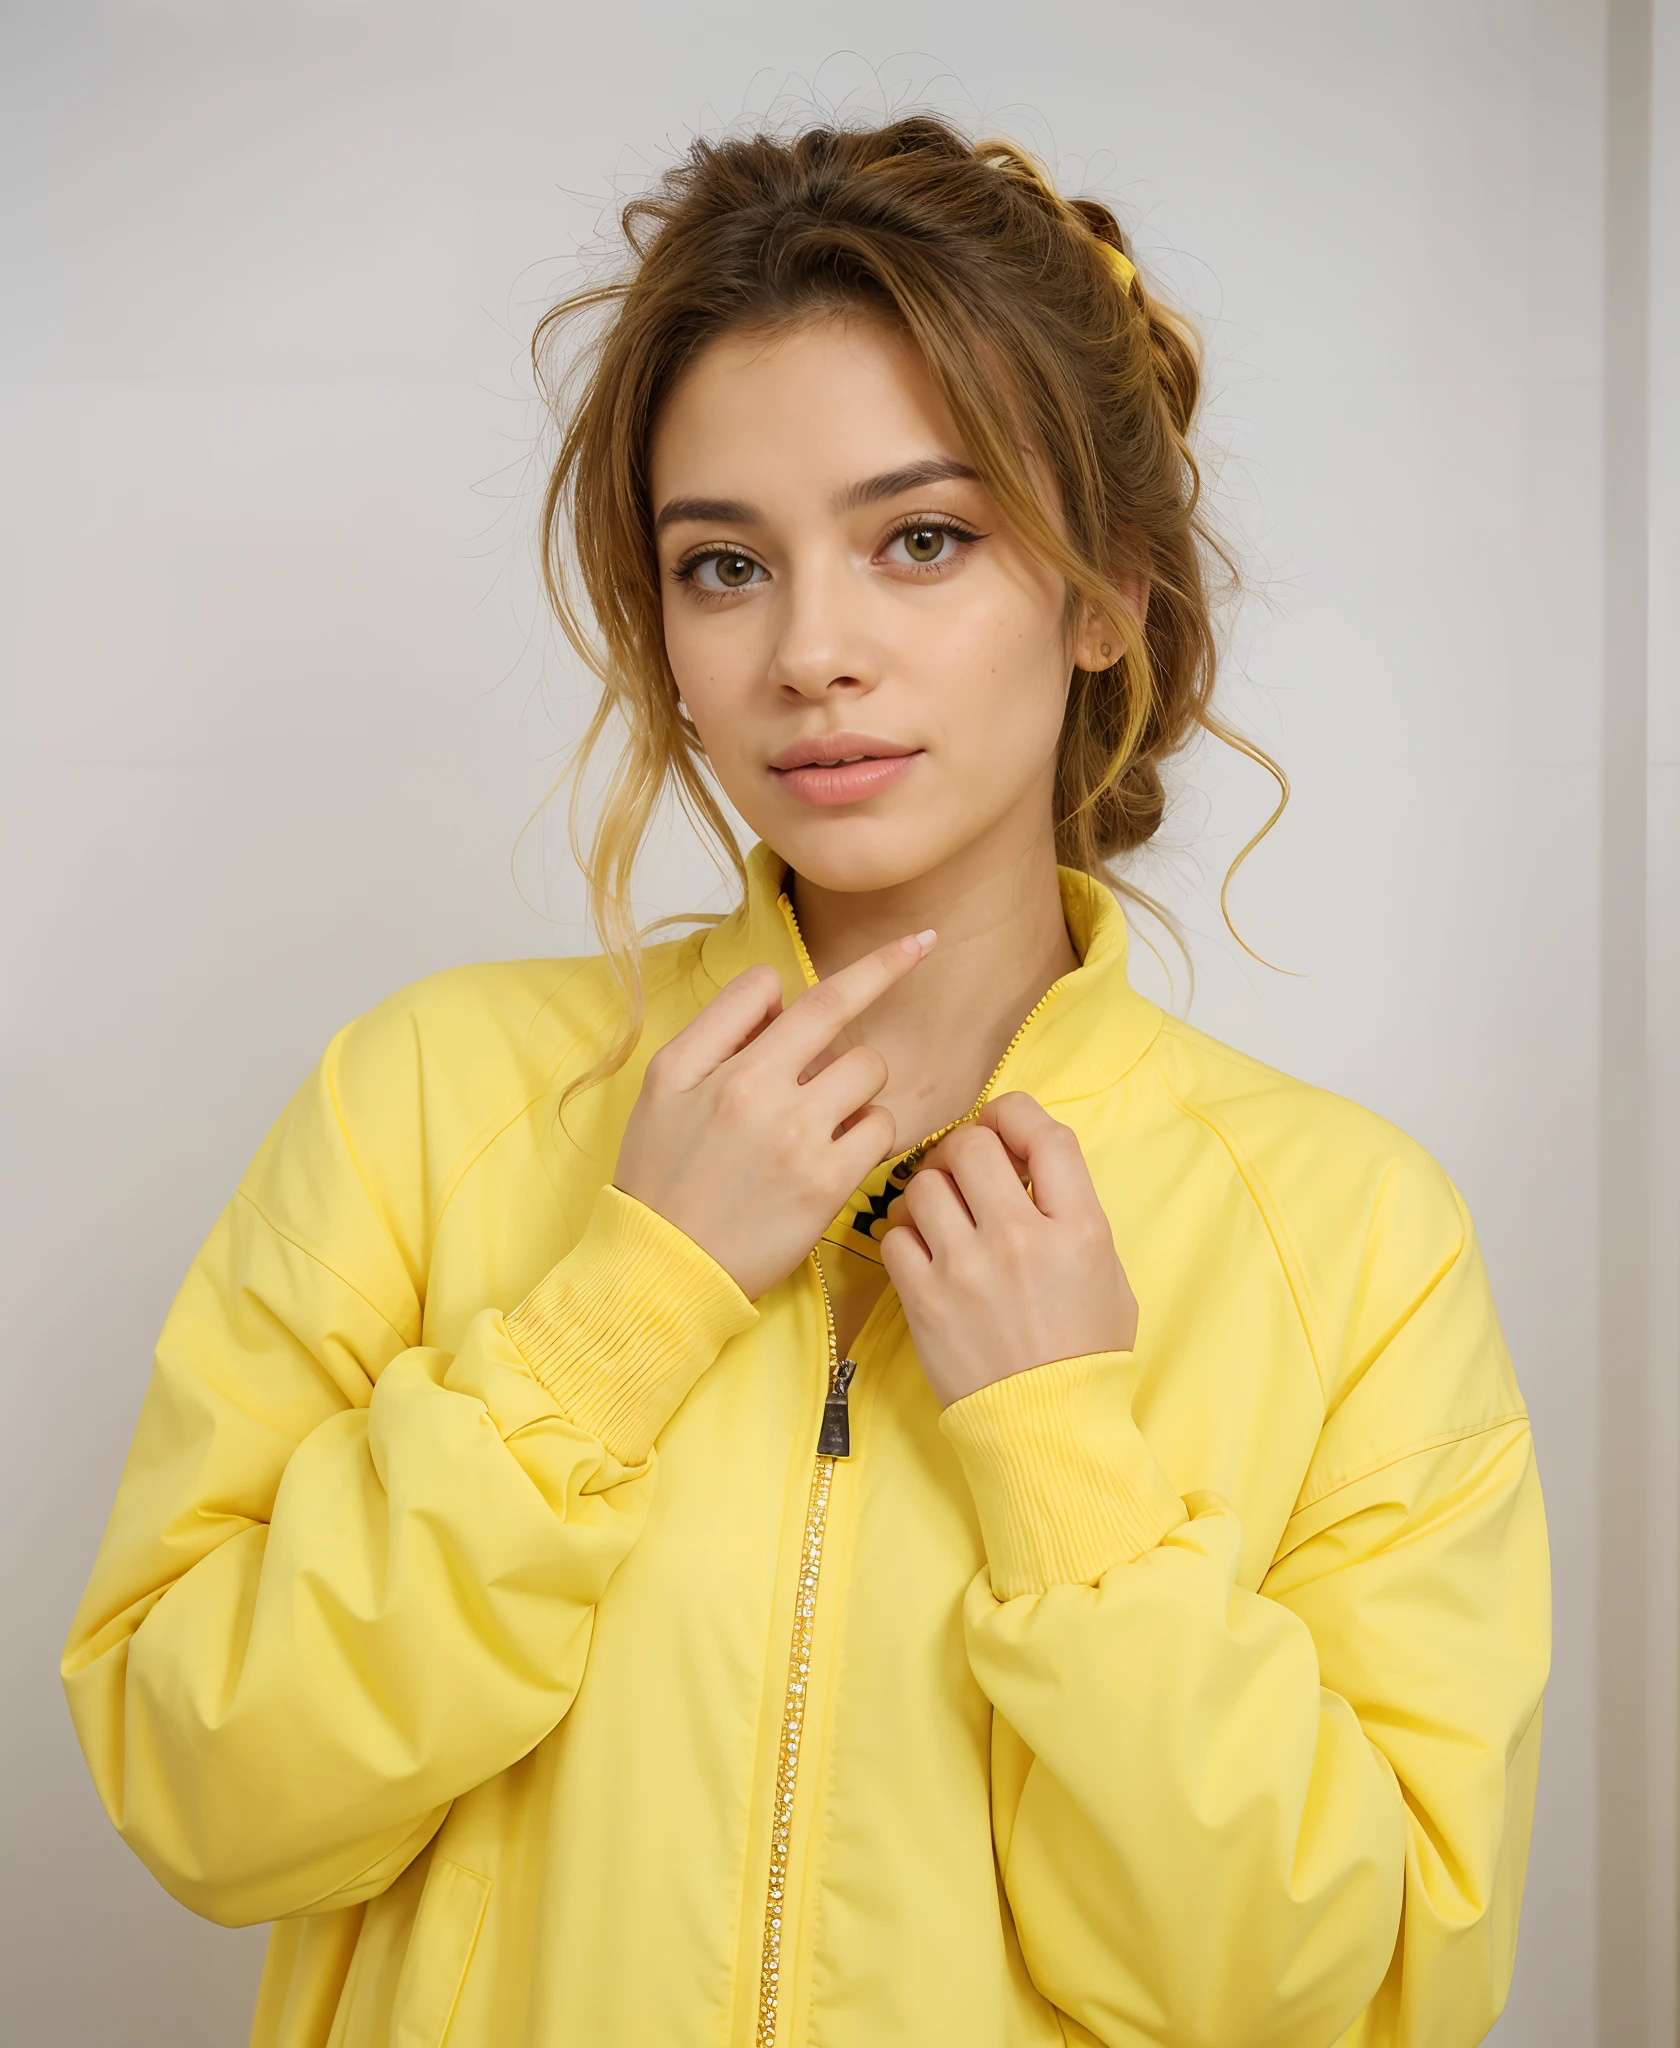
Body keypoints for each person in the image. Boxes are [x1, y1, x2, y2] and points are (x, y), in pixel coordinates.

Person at [63, 115, 1550, 2048]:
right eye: (724, 565)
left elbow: (1338, 1997)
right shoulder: (427, 1101)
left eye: (921, 538)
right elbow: (202, 1796)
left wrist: (1068, 1469)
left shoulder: (1357, 1239)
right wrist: (614, 1327)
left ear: (1106, 596)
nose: (813, 652)